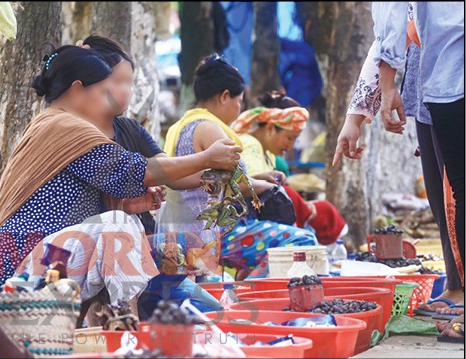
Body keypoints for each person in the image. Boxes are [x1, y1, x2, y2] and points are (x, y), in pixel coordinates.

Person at [0, 45, 241, 314]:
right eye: (103, 90)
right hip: (21, 265)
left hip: (42, 259)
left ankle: (120, 323)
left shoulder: (58, 124)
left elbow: (106, 189)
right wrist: (206, 159)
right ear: (77, 90)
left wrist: (126, 206)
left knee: (125, 222)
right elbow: (132, 172)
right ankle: (125, 323)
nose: (110, 98)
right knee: (118, 227)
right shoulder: (64, 128)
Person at [80, 34, 225, 315]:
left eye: (129, 83)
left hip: (145, 251)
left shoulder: (130, 129)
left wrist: (217, 176)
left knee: (211, 312)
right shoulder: (83, 136)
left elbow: (171, 173)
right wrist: (207, 157)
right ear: (92, 82)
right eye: (118, 81)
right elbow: (146, 174)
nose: (127, 91)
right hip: (108, 257)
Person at [334, 2, 464, 315]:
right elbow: (397, 28)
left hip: (450, 74)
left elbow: (391, 21)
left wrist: (386, 85)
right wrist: (355, 116)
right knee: (441, 193)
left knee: (456, 194)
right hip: (432, 82)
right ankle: (457, 285)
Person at [163, 54, 318, 280]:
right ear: (225, 96)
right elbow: (235, 185)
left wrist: (260, 179)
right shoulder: (211, 129)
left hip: (189, 228)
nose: (239, 107)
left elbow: (215, 178)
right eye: (239, 101)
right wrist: (264, 185)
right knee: (303, 241)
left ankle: (246, 288)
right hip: (216, 233)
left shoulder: (182, 126)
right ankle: (249, 293)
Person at [234, 91, 347, 247]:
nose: (291, 146)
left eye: (295, 139)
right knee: (303, 239)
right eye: (289, 138)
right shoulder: (251, 145)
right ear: (270, 129)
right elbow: (248, 188)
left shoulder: (267, 154)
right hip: (241, 225)